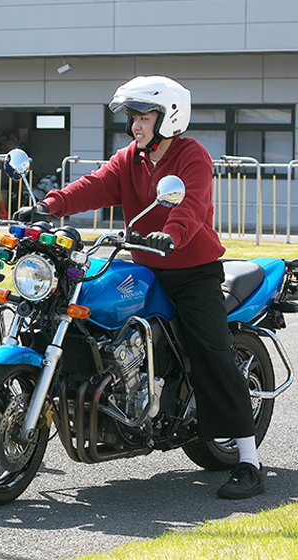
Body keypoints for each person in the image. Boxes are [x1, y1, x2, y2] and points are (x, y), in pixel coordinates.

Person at [15, 75, 264, 499]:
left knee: (211, 351)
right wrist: (48, 205)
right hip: (145, 265)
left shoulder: (192, 156)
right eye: (133, 117)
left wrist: (172, 234)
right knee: (87, 314)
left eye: (144, 116)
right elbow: (95, 185)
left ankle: (248, 462)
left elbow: (190, 204)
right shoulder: (131, 158)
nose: (136, 126)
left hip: (191, 269)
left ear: (169, 117)